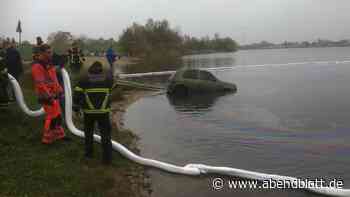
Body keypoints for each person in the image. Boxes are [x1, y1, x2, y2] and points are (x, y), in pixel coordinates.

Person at [74, 61, 113, 164]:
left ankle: (89, 154)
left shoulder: (84, 80)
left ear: (90, 69)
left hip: (88, 112)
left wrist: (76, 108)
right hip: (103, 112)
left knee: (88, 133)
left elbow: (77, 94)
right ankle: (107, 159)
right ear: (101, 70)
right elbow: (113, 88)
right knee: (105, 135)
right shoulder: (108, 79)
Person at [31, 44, 66, 144]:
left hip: (53, 94)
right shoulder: (37, 66)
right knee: (51, 116)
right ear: (41, 53)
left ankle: (59, 135)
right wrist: (49, 96)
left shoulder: (49, 64)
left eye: (51, 52)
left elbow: (54, 80)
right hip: (45, 95)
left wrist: (59, 90)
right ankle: (47, 139)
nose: (51, 54)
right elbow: (40, 84)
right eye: (48, 52)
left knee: (57, 114)